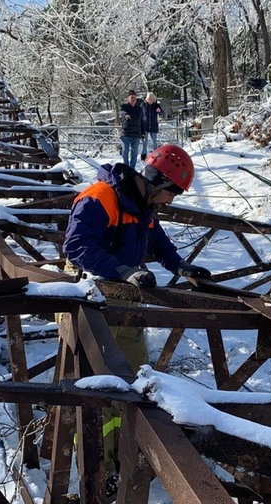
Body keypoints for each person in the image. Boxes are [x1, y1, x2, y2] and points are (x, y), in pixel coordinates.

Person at [62, 144, 210, 482]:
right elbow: (76, 246)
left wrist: (182, 267)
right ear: (156, 181)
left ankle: (126, 455)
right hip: (92, 303)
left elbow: (159, 243)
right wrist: (123, 271)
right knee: (97, 389)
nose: (171, 200)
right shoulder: (101, 197)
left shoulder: (142, 206)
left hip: (124, 305)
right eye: (171, 192)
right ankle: (93, 465)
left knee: (135, 382)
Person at [119, 90, 145, 169]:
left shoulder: (139, 109)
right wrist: (125, 114)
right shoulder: (124, 107)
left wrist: (143, 133)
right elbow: (121, 112)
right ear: (128, 98)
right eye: (131, 97)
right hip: (126, 133)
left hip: (136, 134)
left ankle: (132, 168)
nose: (133, 99)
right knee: (125, 152)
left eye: (134, 97)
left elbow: (142, 121)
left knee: (134, 153)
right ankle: (126, 167)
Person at [140, 92, 163, 159]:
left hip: (153, 126)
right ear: (146, 98)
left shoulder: (156, 105)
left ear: (154, 99)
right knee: (145, 142)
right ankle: (143, 156)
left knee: (154, 143)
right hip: (145, 127)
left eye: (152, 99)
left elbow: (163, 114)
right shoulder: (143, 105)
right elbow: (140, 115)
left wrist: (160, 111)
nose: (150, 100)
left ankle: (156, 156)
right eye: (149, 99)